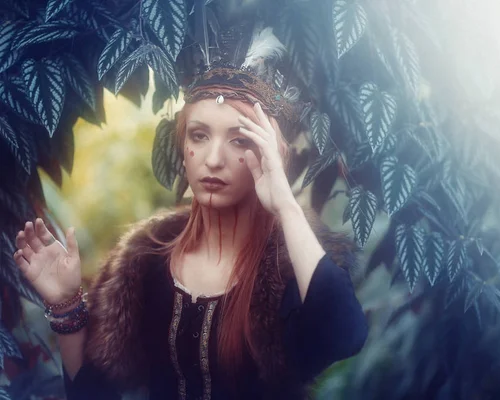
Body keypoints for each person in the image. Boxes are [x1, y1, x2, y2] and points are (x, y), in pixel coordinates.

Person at [11, 30, 369, 399]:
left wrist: (284, 203)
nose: (213, 159)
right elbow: (94, 393)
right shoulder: (142, 262)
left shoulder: (291, 267)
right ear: (183, 149)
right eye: (199, 135)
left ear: (270, 155)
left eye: (240, 139)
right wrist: (66, 305)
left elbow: (345, 334)